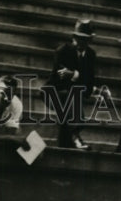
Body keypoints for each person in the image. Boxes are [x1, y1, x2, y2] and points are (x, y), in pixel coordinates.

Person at [44, 19, 106, 150]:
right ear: (73, 37)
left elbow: (88, 84)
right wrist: (79, 79)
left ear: (89, 40)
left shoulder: (90, 55)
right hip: (53, 92)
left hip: (71, 97)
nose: (79, 42)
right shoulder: (63, 51)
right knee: (71, 97)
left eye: (83, 39)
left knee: (69, 106)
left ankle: (66, 144)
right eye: (77, 38)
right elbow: (60, 80)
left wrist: (74, 75)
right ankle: (76, 135)